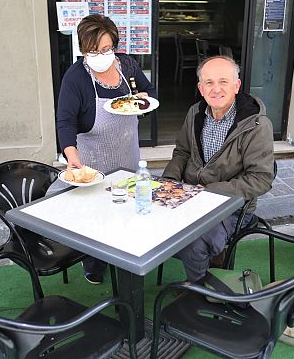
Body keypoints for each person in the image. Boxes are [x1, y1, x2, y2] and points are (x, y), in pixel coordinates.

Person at [57, 14, 156, 285]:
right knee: (96, 217)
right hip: (94, 160)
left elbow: (148, 91)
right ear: (82, 49)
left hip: (128, 154)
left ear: (114, 45)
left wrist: (143, 98)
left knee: (128, 208)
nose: (101, 55)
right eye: (93, 50)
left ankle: (129, 257)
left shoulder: (127, 65)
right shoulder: (76, 77)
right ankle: (94, 263)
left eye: (106, 49)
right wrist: (72, 157)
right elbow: (65, 120)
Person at [162, 55, 274, 283]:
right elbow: (182, 152)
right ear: (200, 88)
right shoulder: (195, 112)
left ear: (237, 85)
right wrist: (169, 182)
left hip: (232, 205)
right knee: (149, 223)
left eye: (223, 81)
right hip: (190, 196)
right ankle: (214, 261)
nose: (216, 89)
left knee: (193, 242)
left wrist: (210, 190)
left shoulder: (257, 125)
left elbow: (261, 178)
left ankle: (201, 292)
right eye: (209, 82)